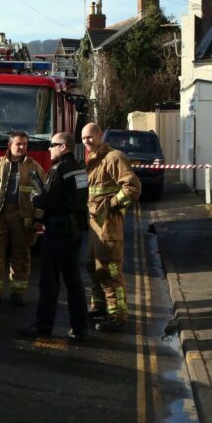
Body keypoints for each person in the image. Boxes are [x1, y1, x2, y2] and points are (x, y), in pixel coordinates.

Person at [19, 132, 90, 341]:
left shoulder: (58, 170)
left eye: (52, 145)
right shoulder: (80, 169)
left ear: (64, 147)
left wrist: (35, 198)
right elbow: (79, 198)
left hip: (57, 229)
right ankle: (80, 328)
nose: (49, 148)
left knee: (49, 282)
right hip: (75, 229)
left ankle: (43, 326)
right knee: (74, 281)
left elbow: (48, 200)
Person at [81, 123, 141, 332]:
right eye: (83, 138)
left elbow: (132, 188)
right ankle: (99, 305)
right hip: (94, 225)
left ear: (99, 136)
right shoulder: (90, 160)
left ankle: (117, 315)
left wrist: (111, 205)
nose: (87, 141)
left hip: (109, 225)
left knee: (109, 270)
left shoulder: (114, 158)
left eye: (90, 137)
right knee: (92, 265)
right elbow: (88, 190)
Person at [0, 131, 46, 306]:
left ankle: (17, 293)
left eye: (25, 144)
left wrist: (38, 219)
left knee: (21, 257)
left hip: (23, 219)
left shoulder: (34, 167)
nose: (22, 147)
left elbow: (42, 196)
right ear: (10, 145)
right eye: (18, 144)